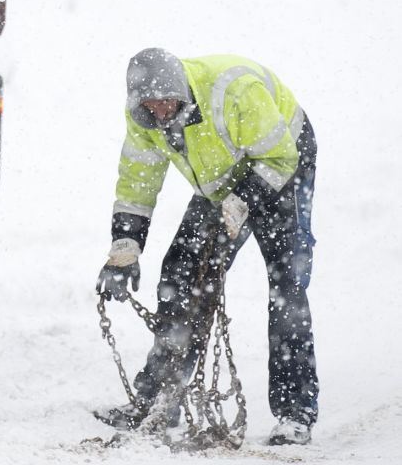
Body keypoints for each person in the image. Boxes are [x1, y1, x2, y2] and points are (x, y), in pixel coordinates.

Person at [94, 48, 319, 446]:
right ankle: (160, 399)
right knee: (180, 276)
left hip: (283, 164)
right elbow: (137, 183)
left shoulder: (235, 91)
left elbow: (281, 157)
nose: (161, 111)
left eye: (168, 102)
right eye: (150, 104)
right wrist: (125, 248)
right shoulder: (144, 120)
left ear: (184, 93)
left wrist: (243, 200)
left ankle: (294, 412)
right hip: (224, 177)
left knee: (286, 284)